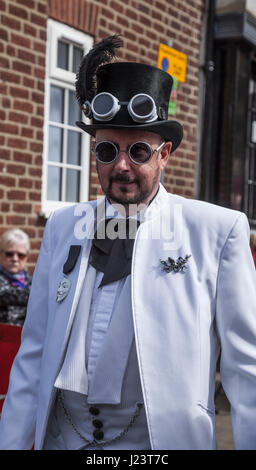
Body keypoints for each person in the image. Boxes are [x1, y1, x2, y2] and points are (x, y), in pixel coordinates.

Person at [0, 36, 256, 451]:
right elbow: (34, 351)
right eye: (106, 150)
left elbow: (247, 370)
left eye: (138, 150)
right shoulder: (63, 225)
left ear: (165, 154)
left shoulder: (217, 230)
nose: (121, 165)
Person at [0, 228, 32, 326]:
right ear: (0, 254)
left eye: (21, 255)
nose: (15, 259)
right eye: (9, 254)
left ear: (27, 257)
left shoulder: (31, 280)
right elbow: (4, 294)